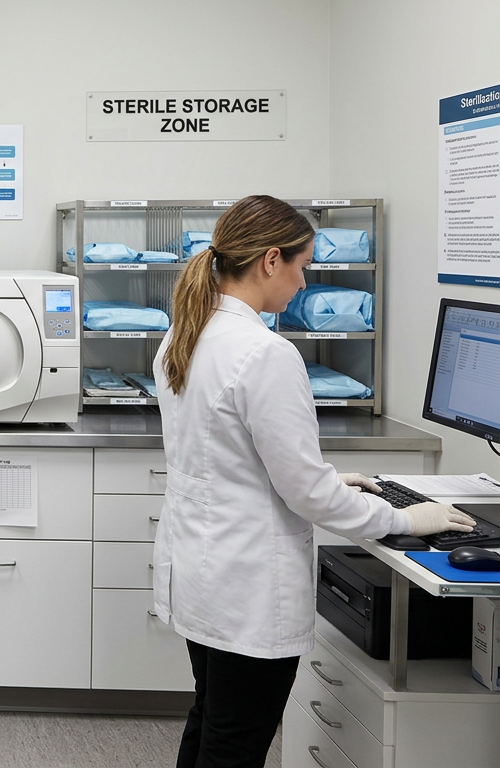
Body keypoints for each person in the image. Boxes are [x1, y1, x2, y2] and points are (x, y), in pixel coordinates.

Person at [151, 195, 474, 768]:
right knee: (234, 742)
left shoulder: (185, 335)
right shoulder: (264, 353)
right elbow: (305, 492)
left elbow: (228, 456)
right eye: (302, 266)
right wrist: (405, 518)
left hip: (202, 573)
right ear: (270, 260)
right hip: (245, 586)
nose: (303, 283)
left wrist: (327, 478)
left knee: (212, 722)